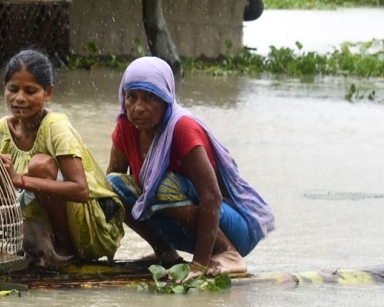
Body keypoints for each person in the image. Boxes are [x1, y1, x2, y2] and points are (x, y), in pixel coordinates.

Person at [106, 56, 275, 275]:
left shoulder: (182, 127)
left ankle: (229, 254)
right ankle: (164, 251)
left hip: (228, 226)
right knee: (112, 186)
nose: (138, 108)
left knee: (161, 184)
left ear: (166, 98)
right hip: (185, 229)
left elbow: (212, 196)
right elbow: (113, 181)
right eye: (132, 97)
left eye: (149, 97)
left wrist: (199, 265)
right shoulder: (126, 126)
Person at [0, 49, 124, 268]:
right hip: (38, 228)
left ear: (48, 93)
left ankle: (64, 248)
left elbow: (80, 190)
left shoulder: (55, 126)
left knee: (40, 165)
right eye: (13, 89)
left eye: (30, 91)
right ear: (5, 89)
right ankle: (25, 245)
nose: (19, 98)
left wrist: (20, 179)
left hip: (90, 226)